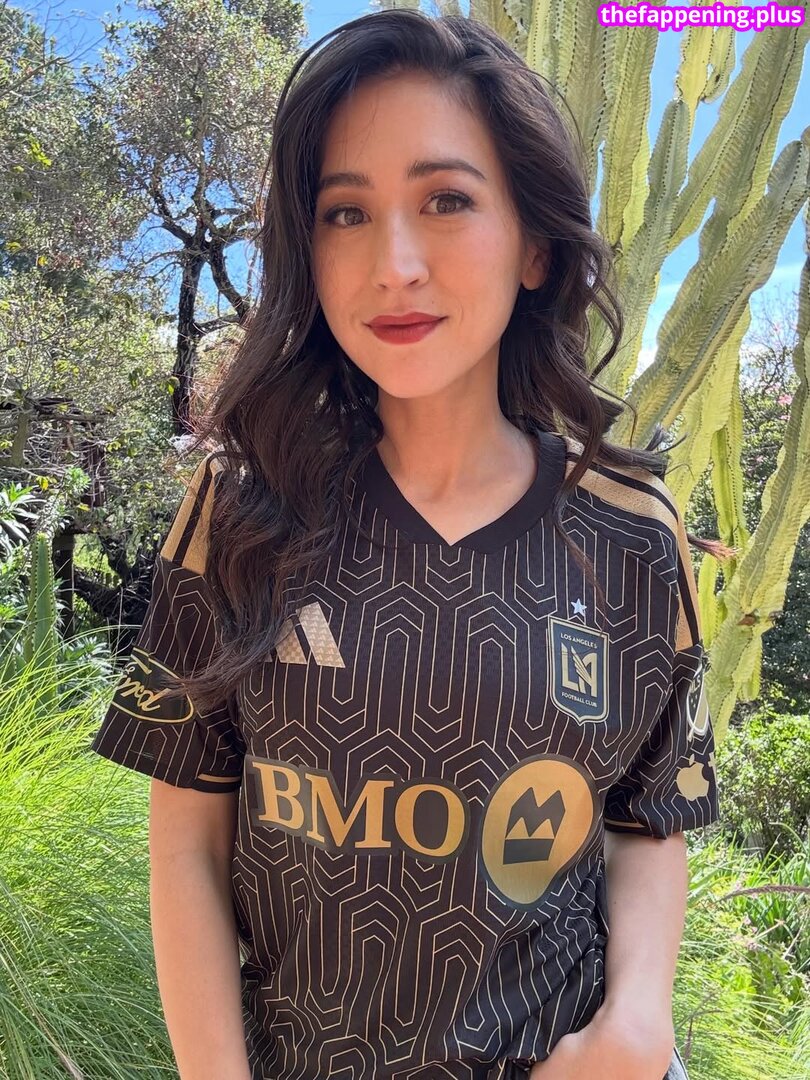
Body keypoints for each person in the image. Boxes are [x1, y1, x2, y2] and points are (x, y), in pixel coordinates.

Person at [89, 9, 721, 1080]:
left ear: (533, 246)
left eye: (446, 200)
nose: (395, 264)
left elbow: (648, 817)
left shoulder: (630, 533)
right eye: (346, 213)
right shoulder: (241, 507)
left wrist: (635, 1026)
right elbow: (188, 838)